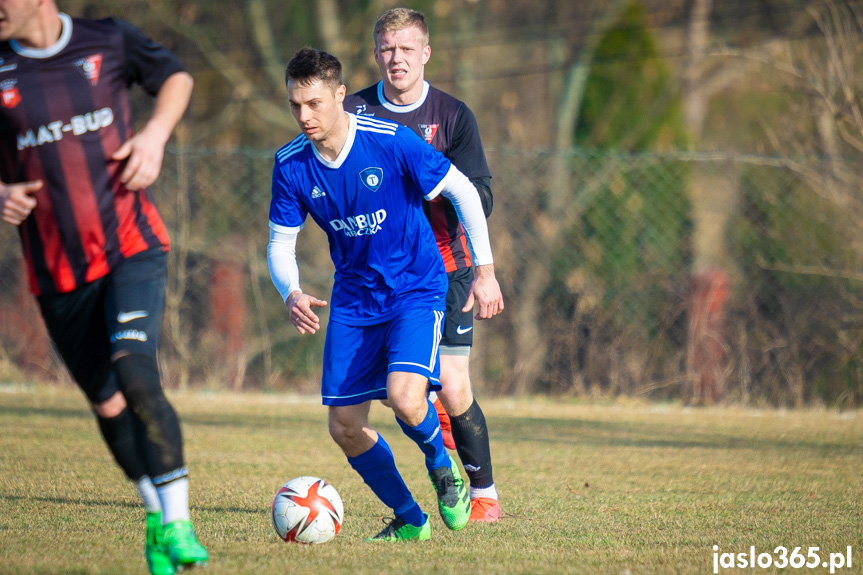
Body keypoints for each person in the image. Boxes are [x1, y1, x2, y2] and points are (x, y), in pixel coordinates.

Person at [0, 2, 206, 573]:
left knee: (135, 374)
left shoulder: (107, 41)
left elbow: (177, 77)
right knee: (108, 401)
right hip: (56, 274)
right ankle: (156, 518)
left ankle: (180, 522)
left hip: (130, 248)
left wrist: (155, 136)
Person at [268, 47, 504, 541]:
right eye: (295, 105)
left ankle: (444, 468)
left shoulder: (390, 140)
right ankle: (410, 519)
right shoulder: (291, 165)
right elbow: (280, 242)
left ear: (339, 95)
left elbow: (462, 190)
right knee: (345, 427)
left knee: (404, 397)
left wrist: (484, 270)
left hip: (416, 289)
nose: (304, 116)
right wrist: (290, 290)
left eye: (313, 103)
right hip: (354, 302)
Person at [344, 7, 501, 523]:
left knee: (454, 385)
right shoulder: (355, 110)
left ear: (426, 53)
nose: (397, 59)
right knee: (398, 393)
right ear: (376, 54)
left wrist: (432, 184)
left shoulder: (453, 115)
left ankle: (485, 497)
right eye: (388, 49)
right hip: (382, 275)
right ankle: (429, 406)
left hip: (447, 265)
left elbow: (480, 195)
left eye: (407, 49)